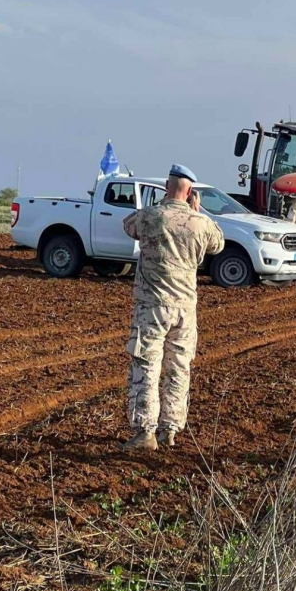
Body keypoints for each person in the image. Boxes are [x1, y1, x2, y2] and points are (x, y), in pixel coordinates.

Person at [119, 164, 225, 452]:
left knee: (146, 365)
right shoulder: (200, 223)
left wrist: (160, 205)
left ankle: (145, 432)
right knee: (178, 368)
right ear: (190, 192)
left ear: (167, 186)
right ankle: (171, 429)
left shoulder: (151, 216)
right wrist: (197, 212)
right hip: (185, 310)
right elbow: (218, 244)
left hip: (152, 307)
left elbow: (128, 226)